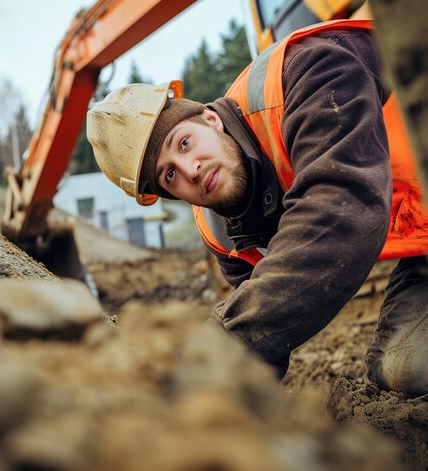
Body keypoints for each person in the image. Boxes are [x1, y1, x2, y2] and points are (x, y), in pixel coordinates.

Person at [86, 19, 428, 395]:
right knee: (407, 369)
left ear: (210, 119)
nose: (191, 170)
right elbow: (265, 331)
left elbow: (341, 209)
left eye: (183, 144)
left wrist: (211, 351)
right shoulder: (220, 229)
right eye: (169, 176)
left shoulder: (307, 73)